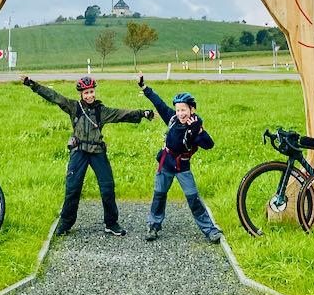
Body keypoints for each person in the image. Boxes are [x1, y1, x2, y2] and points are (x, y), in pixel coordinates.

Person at [21, 74, 155, 236]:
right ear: (81, 94)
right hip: (79, 153)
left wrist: (143, 113)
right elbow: (54, 96)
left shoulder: (101, 111)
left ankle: (111, 223)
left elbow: (121, 114)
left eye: (91, 92)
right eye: (86, 93)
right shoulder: (73, 107)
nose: (90, 95)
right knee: (73, 189)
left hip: (97, 153)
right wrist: (32, 84)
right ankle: (65, 224)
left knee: (107, 188)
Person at [137, 71, 223, 243]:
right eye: (178, 109)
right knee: (159, 194)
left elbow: (209, 144)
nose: (181, 113)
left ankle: (210, 230)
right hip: (166, 163)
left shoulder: (196, 127)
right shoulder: (172, 119)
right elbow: (159, 103)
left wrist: (199, 130)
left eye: (184, 109)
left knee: (193, 198)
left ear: (192, 109)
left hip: (182, 167)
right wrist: (144, 87)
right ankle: (153, 225)